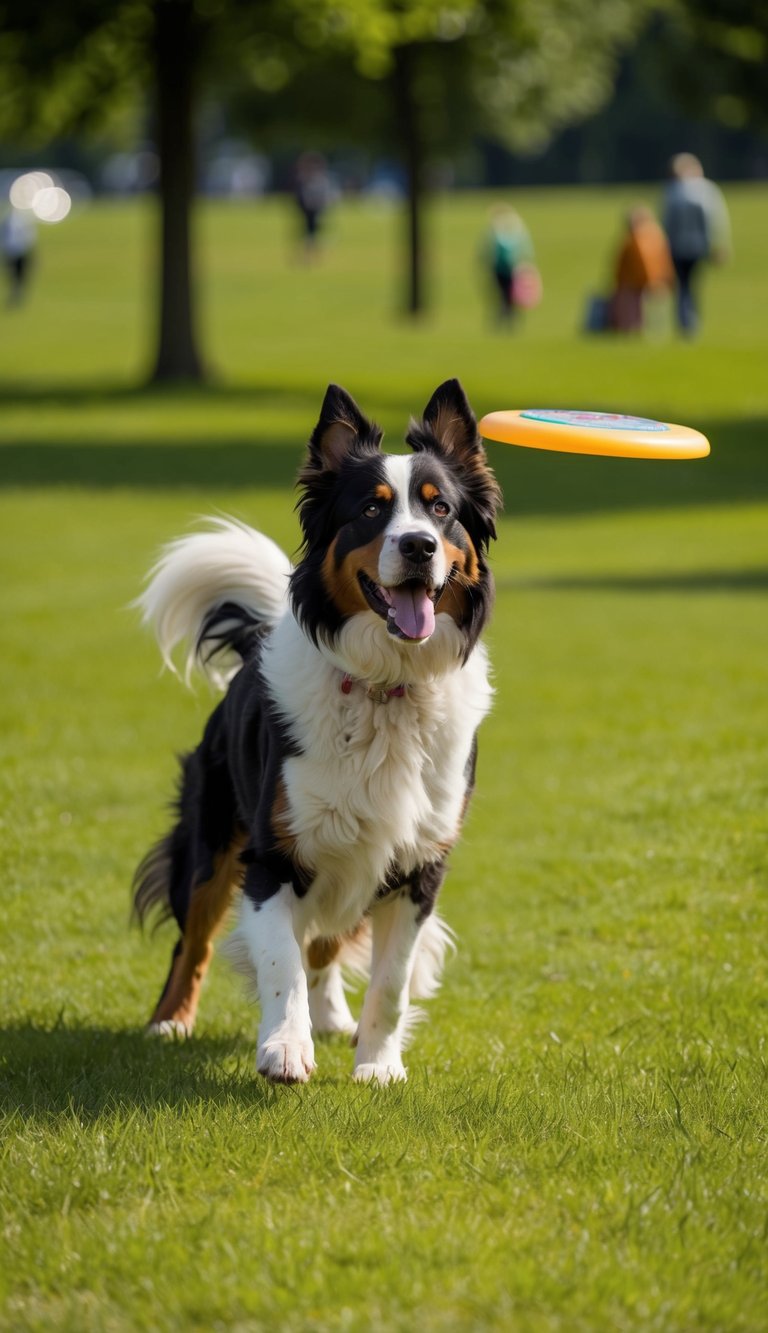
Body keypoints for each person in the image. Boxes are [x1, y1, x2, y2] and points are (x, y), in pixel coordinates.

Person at [661, 152, 731, 336]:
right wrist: (719, 245)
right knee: (692, 285)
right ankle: (690, 322)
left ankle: (684, 322)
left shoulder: (672, 191)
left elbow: (666, 222)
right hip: (699, 246)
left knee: (682, 285)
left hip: (676, 247)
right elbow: (716, 220)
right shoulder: (706, 190)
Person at [611, 204, 674, 333]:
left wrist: (652, 282)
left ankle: (631, 327)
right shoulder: (657, 236)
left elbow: (645, 265)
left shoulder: (637, 240)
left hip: (640, 283)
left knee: (629, 301)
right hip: (654, 281)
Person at [483, 204, 536, 324]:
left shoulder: (509, 232)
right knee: (504, 294)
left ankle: (508, 316)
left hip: (510, 269)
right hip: (500, 269)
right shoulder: (505, 231)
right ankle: (506, 316)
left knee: (509, 294)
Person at [293, 152, 334, 260]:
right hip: (309, 208)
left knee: (312, 232)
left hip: (315, 208)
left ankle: (311, 254)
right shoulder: (308, 178)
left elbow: (323, 194)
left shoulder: (318, 179)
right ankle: (310, 254)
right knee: (310, 232)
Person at [1, 205, 36, 306]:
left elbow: (28, 236)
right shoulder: (8, 221)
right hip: (12, 251)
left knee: (20, 276)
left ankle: (18, 295)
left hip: (19, 251)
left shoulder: (19, 222)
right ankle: (15, 294)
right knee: (13, 276)